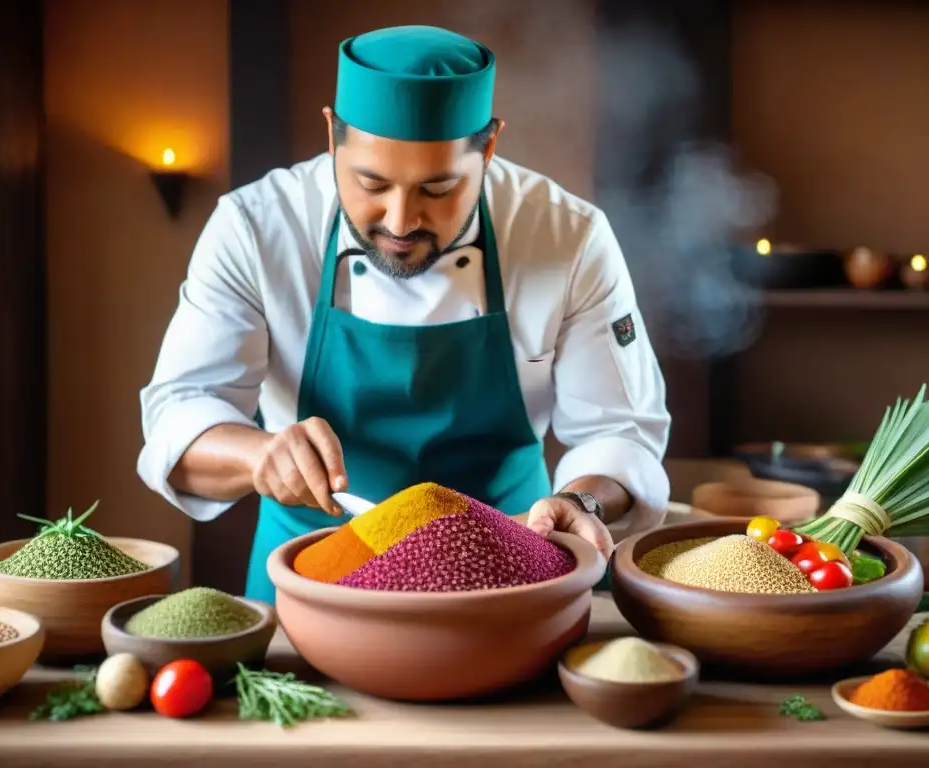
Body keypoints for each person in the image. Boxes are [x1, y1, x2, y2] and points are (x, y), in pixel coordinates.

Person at [137, 25, 671, 605]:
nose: (399, 220)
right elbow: (178, 419)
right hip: (311, 574)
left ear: (488, 150)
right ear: (332, 137)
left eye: (437, 190)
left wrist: (580, 503)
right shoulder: (257, 228)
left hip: (506, 573)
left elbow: (620, 431)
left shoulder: (568, 236)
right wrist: (260, 455)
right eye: (371, 183)